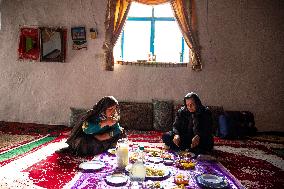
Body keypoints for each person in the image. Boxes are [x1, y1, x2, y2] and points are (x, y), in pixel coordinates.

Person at [58, 96, 126, 156]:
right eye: (110, 109)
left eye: (115, 109)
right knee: (83, 143)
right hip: (90, 137)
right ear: (103, 109)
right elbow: (87, 130)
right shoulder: (93, 115)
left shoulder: (113, 117)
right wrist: (104, 123)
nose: (113, 111)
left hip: (102, 137)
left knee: (122, 133)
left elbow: (117, 129)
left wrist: (104, 136)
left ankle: (103, 147)